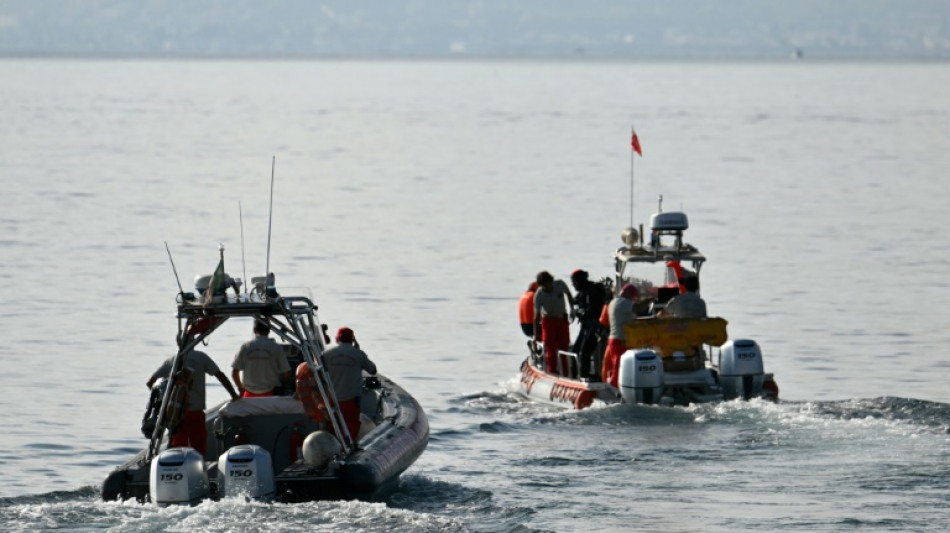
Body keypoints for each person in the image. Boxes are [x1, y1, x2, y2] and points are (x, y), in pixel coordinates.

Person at [146, 336, 239, 455]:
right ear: (194, 341)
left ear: (178, 343)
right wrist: (234, 395)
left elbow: (150, 383)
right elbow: (220, 375)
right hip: (195, 412)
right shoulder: (201, 357)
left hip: (176, 416)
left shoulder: (171, 361)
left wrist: (165, 400)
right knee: (198, 449)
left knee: (178, 450)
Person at [322, 327, 377, 442]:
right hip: (351, 401)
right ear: (353, 340)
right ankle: (349, 449)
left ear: (337, 339)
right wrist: (357, 350)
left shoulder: (326, 354)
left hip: (331, 400)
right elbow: (372, 370)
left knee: (333, 426)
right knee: (351, 427)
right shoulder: (358, 354)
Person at [231, 321, 292, 398]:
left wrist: (241, 388)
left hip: (249, 394)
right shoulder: (276, 347)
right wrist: (283, 386)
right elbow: (287, 372)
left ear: (254, 330)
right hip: (271, 393)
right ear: (269, 330)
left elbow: (234, 373)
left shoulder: (245, 347)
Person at [533, 271, 575, 376]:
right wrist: (535, 334)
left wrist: (572, 309)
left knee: (564, 347)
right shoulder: (539, 294)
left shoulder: (560, 284)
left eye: (547, 283)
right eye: (543, 285)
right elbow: (537, 316)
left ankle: (566, 373)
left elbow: (569, 295)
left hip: (562, 320)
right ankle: (552, 372)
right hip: (548, 321)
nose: (546, 287)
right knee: (550, 348)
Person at [569, 269, 607, 381]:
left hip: (594, 327)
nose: (573, 285)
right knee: (575, 350)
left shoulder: (592, 291)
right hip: (585, 327)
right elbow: (575, 300)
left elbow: (591, 310)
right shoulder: (583, 292)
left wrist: (578, 312)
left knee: (585, 351)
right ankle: (574, 375)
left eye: (575, 282)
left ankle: (585, 375)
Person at [601, 284, 639, 388]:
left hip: (615, 339)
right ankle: (614, 388)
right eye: (632, 297)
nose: (633, 300)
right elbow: (637, 308)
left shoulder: (614, 302)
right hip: (620, 340)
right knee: (619, 366)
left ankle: (618, 386)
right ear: (627, 294)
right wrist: (649, 300)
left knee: (618, 366)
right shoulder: (623, 302)